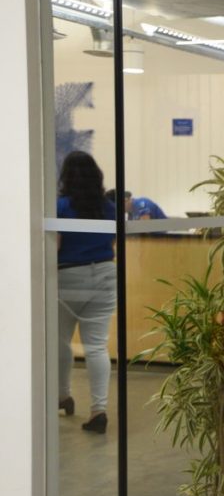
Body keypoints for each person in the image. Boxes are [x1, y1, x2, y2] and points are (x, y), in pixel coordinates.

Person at [57, 151, 117, 434]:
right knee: (96, 346)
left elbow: (54, 246)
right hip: (105, 274)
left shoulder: (60, 206)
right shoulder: (108, 207)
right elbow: (111, 241)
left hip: (68, 276)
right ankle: (98, 410)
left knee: (60, 342)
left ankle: (62, 395)